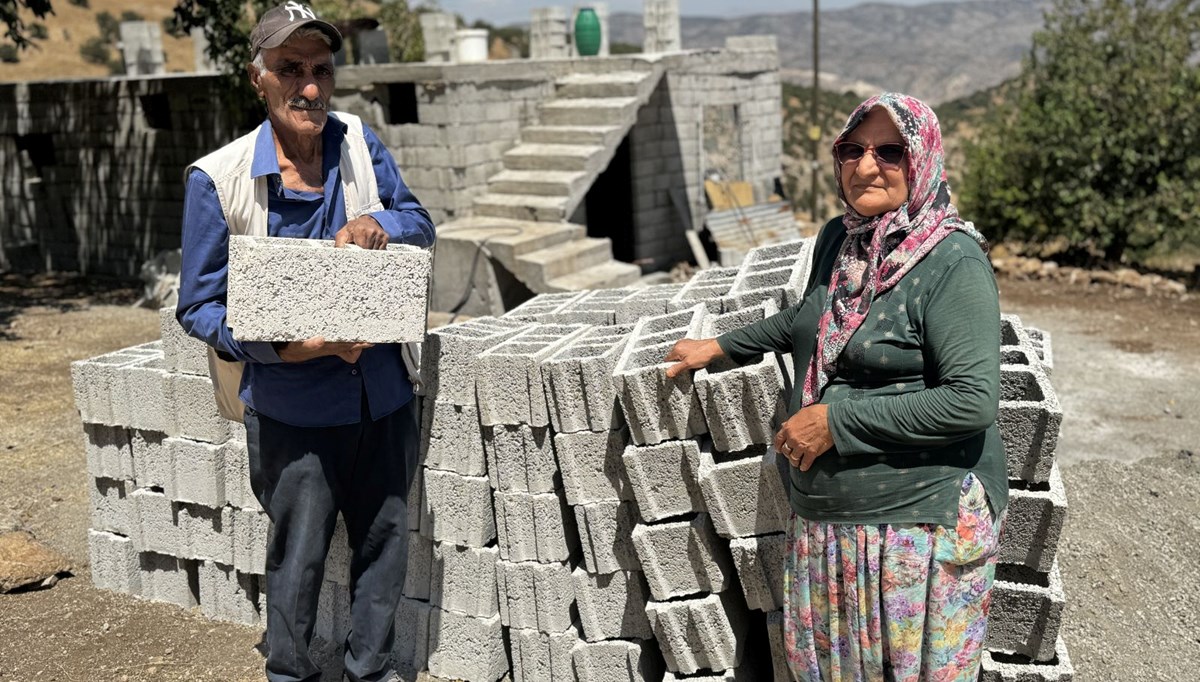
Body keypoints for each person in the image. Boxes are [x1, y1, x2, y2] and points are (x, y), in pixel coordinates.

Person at [665, 93, 1007, 681]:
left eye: (890, 151)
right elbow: (808, 319)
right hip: (828, 528)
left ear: (922, 159)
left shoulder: (952, 262)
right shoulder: (842, 240)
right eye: (853, 149)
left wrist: (835, 422)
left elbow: (970, 401)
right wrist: (718, 346)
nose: (866, 165)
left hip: (915, 531)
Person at [176, 4, 435, 681]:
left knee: (384, 551)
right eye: (289, 69)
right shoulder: (218, 178)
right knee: (298, 561)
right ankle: (289, 674)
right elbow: (199, 307)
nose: (311, 87)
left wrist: (379, 223)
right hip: (292, 410)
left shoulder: (358, 144)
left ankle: (370, 672)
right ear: (257, 79)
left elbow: (419, 221)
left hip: (381, 399)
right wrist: (286, 350)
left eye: (321, 70)